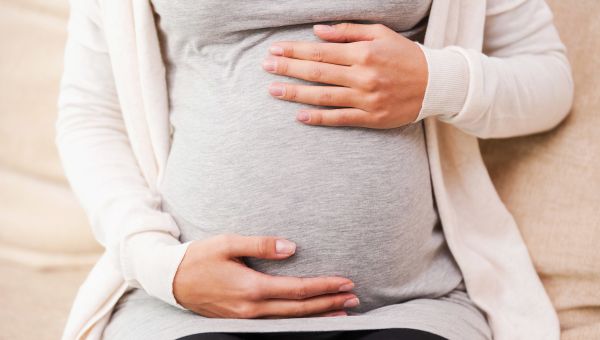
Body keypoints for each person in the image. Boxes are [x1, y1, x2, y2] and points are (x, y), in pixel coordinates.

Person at [54, 0, 573, 339]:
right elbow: (91, 115)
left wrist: (437, 81)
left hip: (412, 310)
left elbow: (548, 79)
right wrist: (156, 263)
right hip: (189, 315)